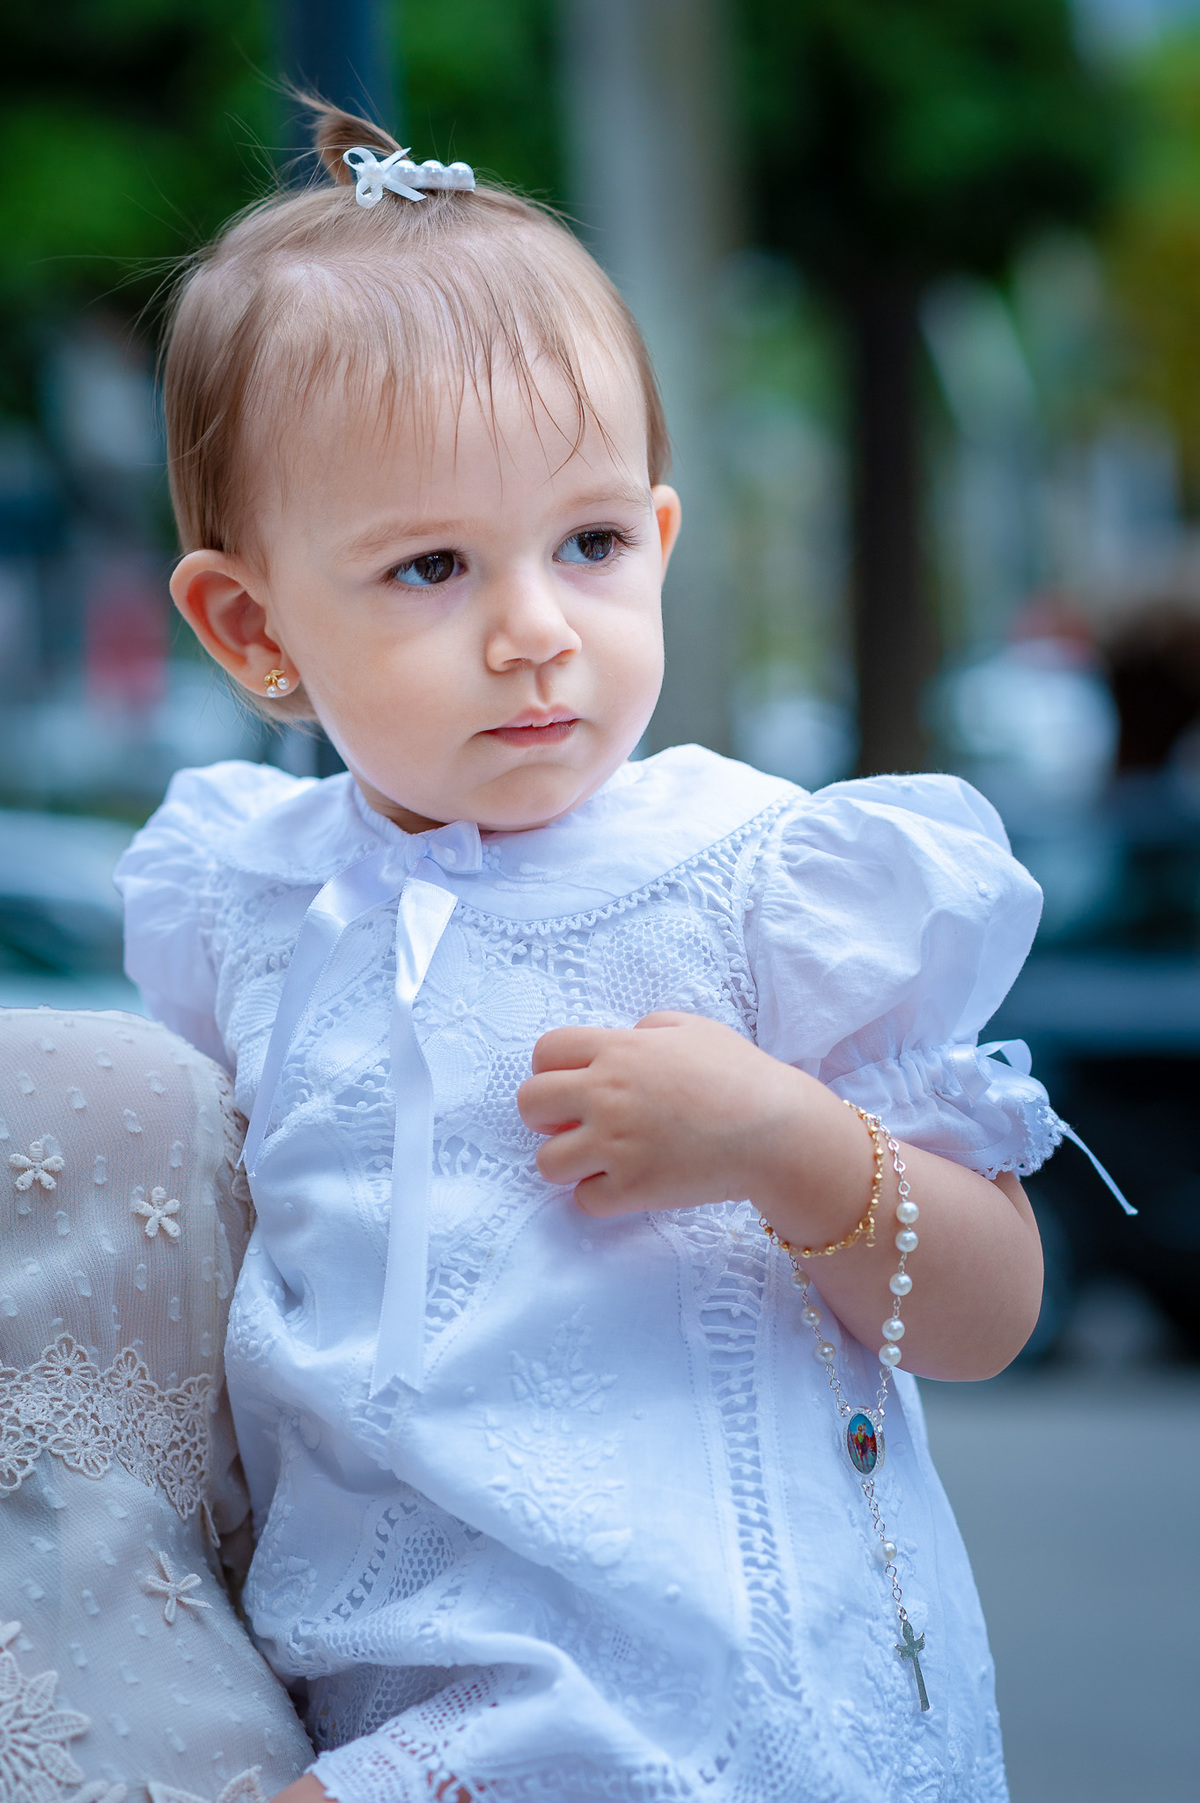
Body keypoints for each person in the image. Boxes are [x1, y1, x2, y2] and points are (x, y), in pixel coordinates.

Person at [116, 99, 1055, 1803]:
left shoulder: (769, 880)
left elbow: (991, 1311)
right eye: (428, 567)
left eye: (591, 543)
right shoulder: (245, 901)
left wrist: (781, 1135)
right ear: (251, 626)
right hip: (382, 1703)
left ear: (663, 538)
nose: (538, 627)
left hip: (735, 1721)